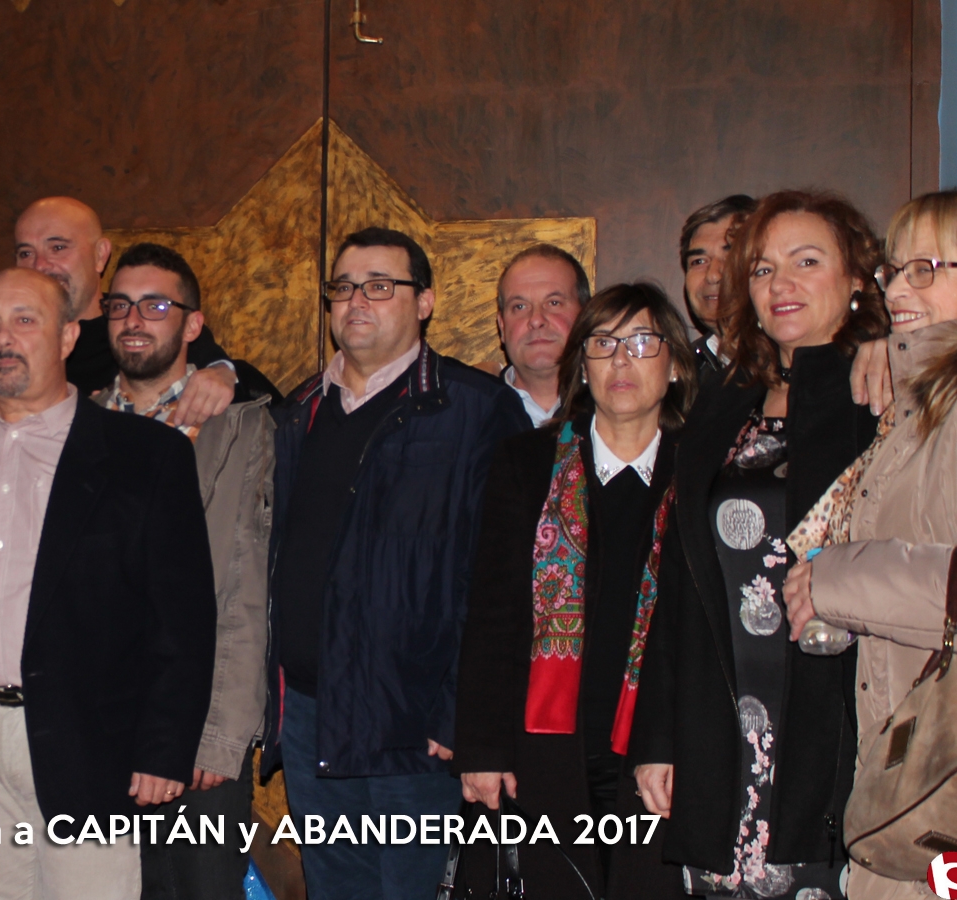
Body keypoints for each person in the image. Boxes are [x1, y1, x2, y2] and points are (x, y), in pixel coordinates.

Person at [0, 267, 216, 899]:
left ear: (69, 336)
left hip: (89, 735)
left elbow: (183, 619)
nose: (4, 339)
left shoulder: (147, 454)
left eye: (25, 320)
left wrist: (164, 749)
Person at [632, 190, 888, 897]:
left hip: (832, 727)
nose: (781, 284)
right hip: (719, 731)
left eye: (807, 262)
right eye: (763, 269)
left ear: (857, 278)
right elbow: (678, 588)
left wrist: (892, 350)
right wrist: (659, 739)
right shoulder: (724, 400)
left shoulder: (884, 394)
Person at [262, 227, 530, 898]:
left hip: (413, 724)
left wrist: (461, 714)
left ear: (425, 302)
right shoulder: (298, 412)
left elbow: (503, 580)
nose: (358, 301)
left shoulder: (476, 409)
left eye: (380, 286)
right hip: (310, 715)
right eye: (344, 287)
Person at [455, 283, 694, 896]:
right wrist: (481, 749)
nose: (622, 360)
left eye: (642, 342)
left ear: (674, 365)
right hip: (544, 748)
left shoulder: (701, 470)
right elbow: (491, 614)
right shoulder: (527, 463)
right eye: (603, 344)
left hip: (660, 746)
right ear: (581, 367)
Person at [782, 189, 957, 900]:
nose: (896, 291)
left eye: (926, 269)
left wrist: (834, 579)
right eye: (894, 271)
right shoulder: (923, 400)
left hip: (955, 796)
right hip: (916, 799)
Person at [91, 243, 272, 900]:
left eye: (156, 305)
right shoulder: (72, 423)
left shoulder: (242, 429)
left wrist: (219, 735)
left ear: (194, 324)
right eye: (120, 305)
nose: (134, 319)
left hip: (194, 731)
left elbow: (245, 591)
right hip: (91, 730)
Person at [13, 196, 247, 418]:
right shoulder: (4, 337)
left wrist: (222, 373)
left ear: (100, 255)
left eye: (57, 248)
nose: (39, 266)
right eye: (25, 253)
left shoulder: (144, 326)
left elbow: (245, 386)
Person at [492, 243, 591, 425]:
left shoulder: (616, 409)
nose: (536, 320)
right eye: (520, 306)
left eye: (554, 303)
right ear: (502, 326)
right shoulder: (471, 411)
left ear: (585, 317)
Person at [680, 195, 759, 378]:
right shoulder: (681, 375)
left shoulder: (796, 368)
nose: (713, 275)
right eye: (699, 261)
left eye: (731, 258)